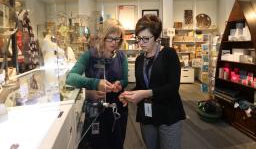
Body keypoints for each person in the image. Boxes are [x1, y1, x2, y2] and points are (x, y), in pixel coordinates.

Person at [119, 14, 186, 149]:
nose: (141, 43)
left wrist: (144, 94)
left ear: (156, 38)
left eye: (145, 39)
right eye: (139, 38)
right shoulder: (140, 60)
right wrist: (128, 95)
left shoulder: (169, 54)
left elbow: (173, 88)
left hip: (168, 114)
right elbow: (140, 86)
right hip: (147, 115)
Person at [66, 18, 128, 149]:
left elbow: (124, 79)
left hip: (116, 108)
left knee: (116, 143)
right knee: (97, 144)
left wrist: (119, 84)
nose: (114, 43)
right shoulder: (89, 55)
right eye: (110, 38)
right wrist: (95, 84)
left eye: (117, 39)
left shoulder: (121, 57)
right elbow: (70, 78)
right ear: (103, 37)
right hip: (95, 111)